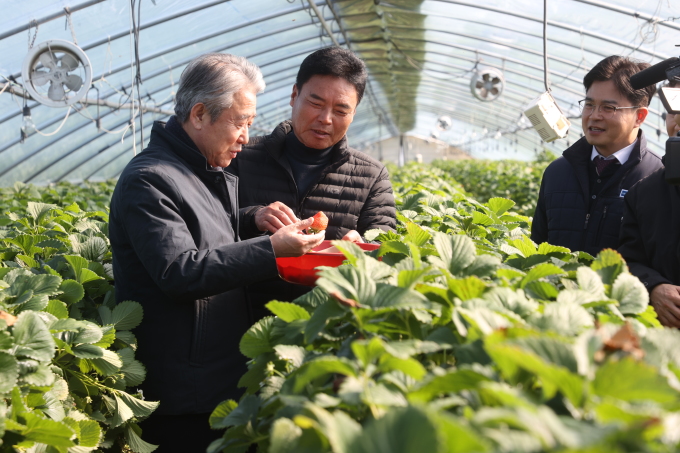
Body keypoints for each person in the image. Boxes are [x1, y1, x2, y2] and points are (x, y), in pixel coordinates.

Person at [108, 53, 324, 452]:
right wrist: (271, 250)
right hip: (184, 393)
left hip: (216, 378)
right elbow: (179, 270)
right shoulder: (149, 180)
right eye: (239, 122)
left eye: (250, 123)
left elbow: (204, 227)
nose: (245, 136)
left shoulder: (200, 168)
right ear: (200, 114)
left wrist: (253, 218)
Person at [227, 46, 396, 309]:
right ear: (294, 95)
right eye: (315, 103)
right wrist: (254, 217)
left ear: (354, 113)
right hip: (241, 314)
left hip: (328, 318)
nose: (325, 119)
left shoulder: (371, 176)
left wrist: (363, 246)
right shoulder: (239, 156)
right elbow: (206, 226)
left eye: (341, 111)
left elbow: (385, 242)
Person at [531, 55, 662, 256]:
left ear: (640, 116)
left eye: (609, 108)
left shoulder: (658, 179)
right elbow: (536, 248)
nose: (594, 116)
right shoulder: (557, 172)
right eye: (589, 104)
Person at [619, 79, 680, 328]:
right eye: (673, 111)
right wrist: (653, 286)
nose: (679, 120)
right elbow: (628, 260)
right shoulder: (643, 193)